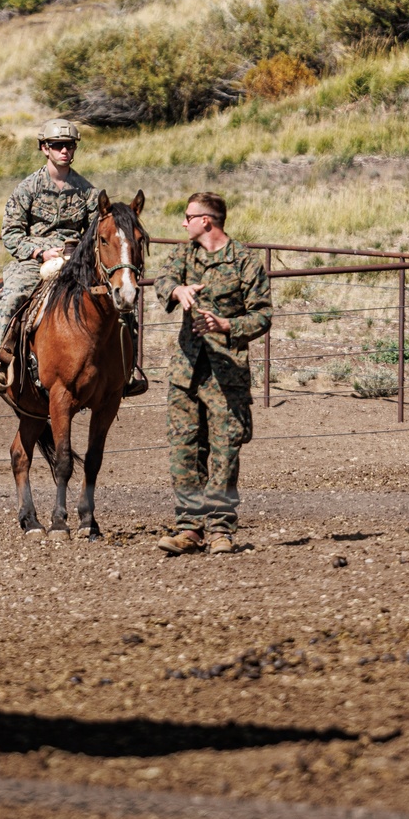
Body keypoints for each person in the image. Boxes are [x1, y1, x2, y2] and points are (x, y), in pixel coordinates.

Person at [0, 118, 147, 396]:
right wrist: (40, 251)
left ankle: (127, 370)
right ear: (45, 148)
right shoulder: (27, 189)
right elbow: (10, 234)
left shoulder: (88, 192)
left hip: (75, 263)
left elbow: (99, 231)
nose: (64, 151)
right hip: (34, 263)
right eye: (57, 146)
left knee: (121, 305)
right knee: (13, 296)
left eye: (69, 145)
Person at [153, 191, 271, 555]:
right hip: (186, 371)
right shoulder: (184, 254)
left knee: (224, 453)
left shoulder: (245, 262)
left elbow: (263, 315)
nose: (183, 223)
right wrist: (177, 290)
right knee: (184, 451)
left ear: (207, 221)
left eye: (187, 216)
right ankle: (189, 529)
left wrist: (226, 325)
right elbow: (162, 279)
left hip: (226, 373)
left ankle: (220, 529)